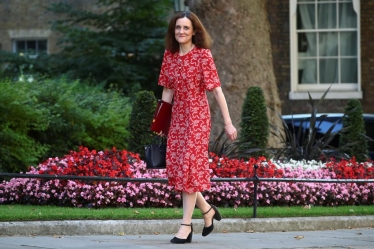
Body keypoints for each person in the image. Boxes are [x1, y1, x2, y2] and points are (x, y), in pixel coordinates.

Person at [157, 11, 237, 244]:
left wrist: (228, 122)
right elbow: (167, 91)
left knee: (190, 168)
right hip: (177, 119)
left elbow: (217, 90)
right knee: (181, 170)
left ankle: (185, 226)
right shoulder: (169, 56)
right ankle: (208, 210)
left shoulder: (203, 55)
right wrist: (162, 122)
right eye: (178, 28)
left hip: (197, 117)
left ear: (194, 32)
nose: (181, 32)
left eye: (186, 28)